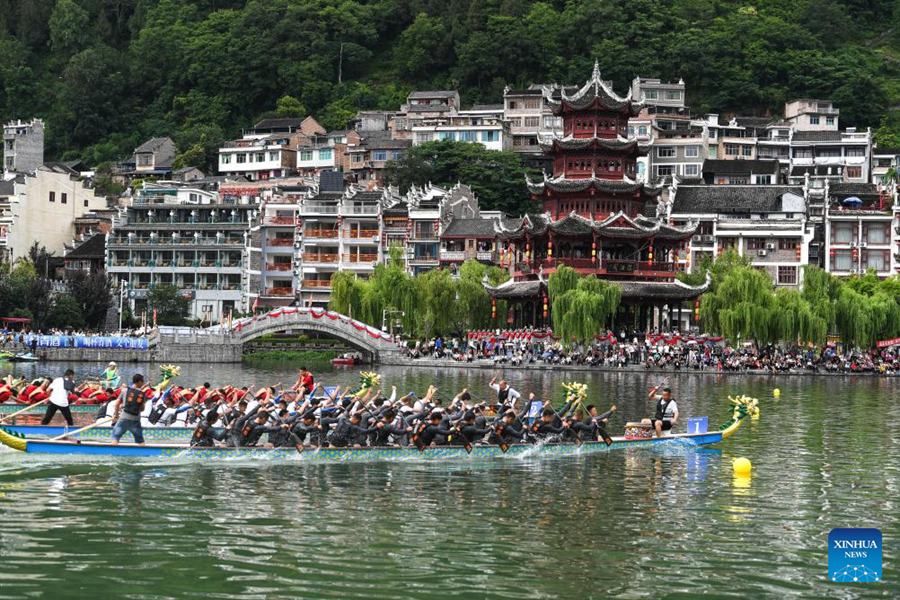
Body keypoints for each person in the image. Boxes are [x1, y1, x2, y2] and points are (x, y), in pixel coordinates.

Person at [112, 374, 150, 445]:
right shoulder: (143, 394)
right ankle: (143, 452)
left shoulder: (125, 390)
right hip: (135, 420)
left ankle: (112, 451)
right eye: (142, 381)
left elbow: (117, 404)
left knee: (115, 436)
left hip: (124, 418)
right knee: (140, 440)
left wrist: (116, 415)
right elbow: (142, 409)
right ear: (139, 382)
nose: (143, 383)